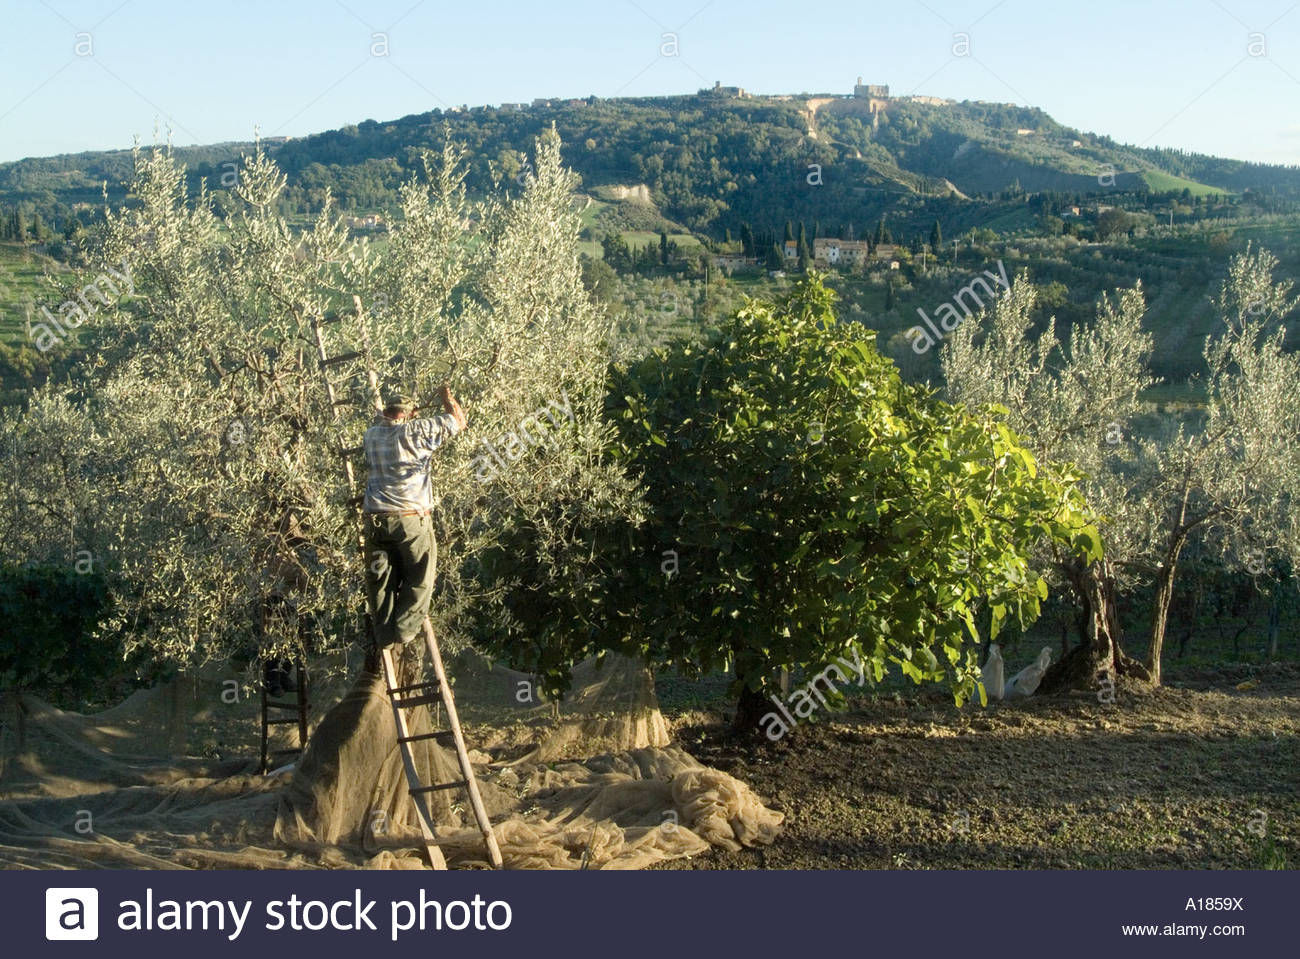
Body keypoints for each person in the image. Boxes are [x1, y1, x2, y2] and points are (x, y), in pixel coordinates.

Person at [363, 385, 466, 647]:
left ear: (386, 411)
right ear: (409, 415)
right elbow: (458, 421)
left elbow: (389, 423)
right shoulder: (416, 431)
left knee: (380, 580)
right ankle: (406, 629)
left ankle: (384, 637)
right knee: (421, 574)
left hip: (375, 521)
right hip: (410, 521)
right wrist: (447, 397)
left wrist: (405, 415)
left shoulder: (371, 435)